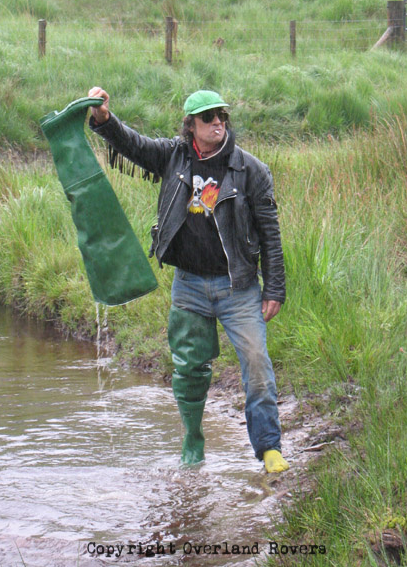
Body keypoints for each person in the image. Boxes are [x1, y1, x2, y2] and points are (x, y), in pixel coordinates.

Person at [87, 86, 289, 472]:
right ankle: (193, 440)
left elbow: (271, 234)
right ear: (191, 126)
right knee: (189, 368)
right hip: (190, 285)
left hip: (239, 287)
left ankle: (269, 449)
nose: (218, 122)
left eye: (221, 116)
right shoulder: (175, 156)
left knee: (257, 364)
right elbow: (133, 146)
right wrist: (103, 119)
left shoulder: (250, 170)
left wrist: (275, 288)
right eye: (208, 117)